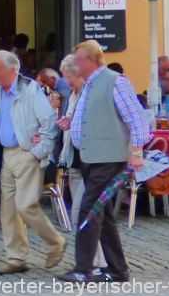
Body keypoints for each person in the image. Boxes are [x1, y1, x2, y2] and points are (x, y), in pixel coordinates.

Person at [56, 40, 150, 283]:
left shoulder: (115, 81)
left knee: (89, 208)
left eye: (77, 60)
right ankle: (118, 270)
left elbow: (137, 118)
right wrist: (72, 123)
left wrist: (137, 151)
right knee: (103, 213)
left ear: (90, 60)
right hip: (92, 156)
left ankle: (83, 268)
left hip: (108, 158)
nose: (75, 65)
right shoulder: (89, 84)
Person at [0, 50, 64, 275]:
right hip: (7, 154)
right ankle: (16, 258)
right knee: (8, 209)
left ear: (12, 70)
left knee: (26, 205)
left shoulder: (30, 89)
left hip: (26, 152)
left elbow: (48, 122)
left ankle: (55, 242)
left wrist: (39, 151)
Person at [53, 54, 107, 272]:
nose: (67, 82)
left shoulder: (91, 94)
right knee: (87, 215)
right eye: (65, 77)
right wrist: (66, 123)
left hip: (91, 161)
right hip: (74, 161)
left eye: (69, 77)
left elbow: (96, 125)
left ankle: (89, 264)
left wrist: (73, 123)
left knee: (80, 214)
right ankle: (99, 262)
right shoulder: (72, 95)